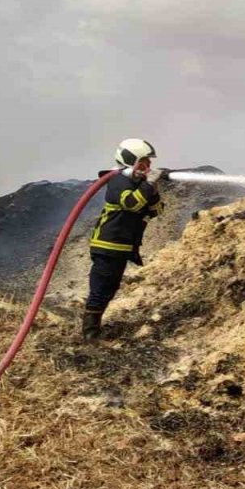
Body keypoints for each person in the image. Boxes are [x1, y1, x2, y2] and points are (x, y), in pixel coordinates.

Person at [82, 138, 165, 340]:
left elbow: (156, 211)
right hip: (107, 245)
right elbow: (131, 203)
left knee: (111, 288)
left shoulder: (140, 185)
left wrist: (153, 189)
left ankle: (95, 328)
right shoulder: (118, 181)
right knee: (100, 290)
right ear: (130, 160)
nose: (148, 167)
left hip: (122, 247)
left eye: (149, 163)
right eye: (144, 162)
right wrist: (149, 184)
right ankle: (90, 334)